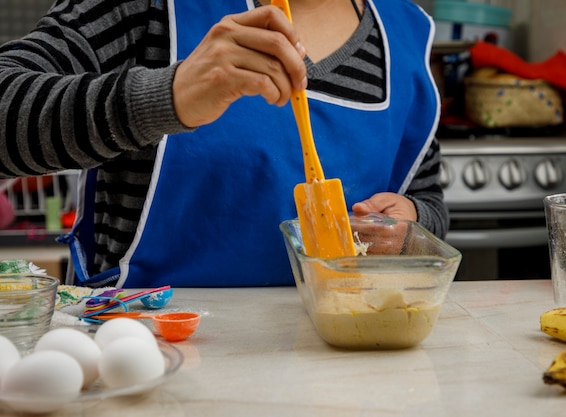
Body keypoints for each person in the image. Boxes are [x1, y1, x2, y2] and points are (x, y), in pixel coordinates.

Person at [0, 0, 448, 288]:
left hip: (346, 359)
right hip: (151, 353)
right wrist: (168, 96)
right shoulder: (149, 8)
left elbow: (424, 200)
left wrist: (409, 226)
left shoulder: (408, 33)